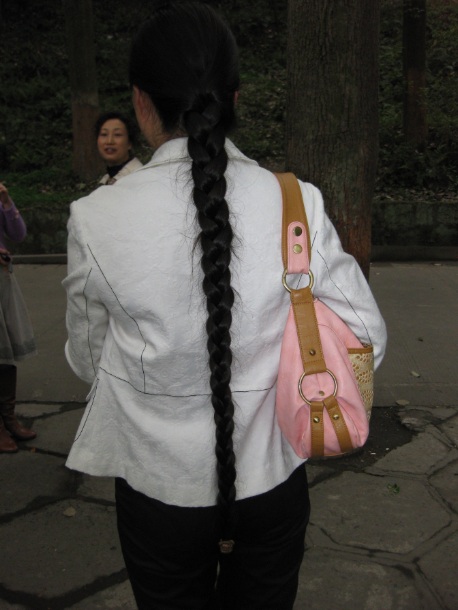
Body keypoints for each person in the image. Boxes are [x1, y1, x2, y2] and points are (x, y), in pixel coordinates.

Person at [63, 2, 387, 608]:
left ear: (140, 102)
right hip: (273, 481)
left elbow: (86, 361)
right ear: (234, 97)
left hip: (157, 489)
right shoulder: (297, 202)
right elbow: (364, 333)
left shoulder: (95, 218)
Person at [0, 181, 37, 453]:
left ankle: (8, 419)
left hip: (2, 281)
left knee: (7, 351)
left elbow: (18, 234)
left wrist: (6, 202)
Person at [95, 111, 143, 185]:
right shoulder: (105, 180)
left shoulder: (139, 177)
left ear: (129, 143)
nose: (109, 141)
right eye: (104, 134)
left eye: (117, 134)